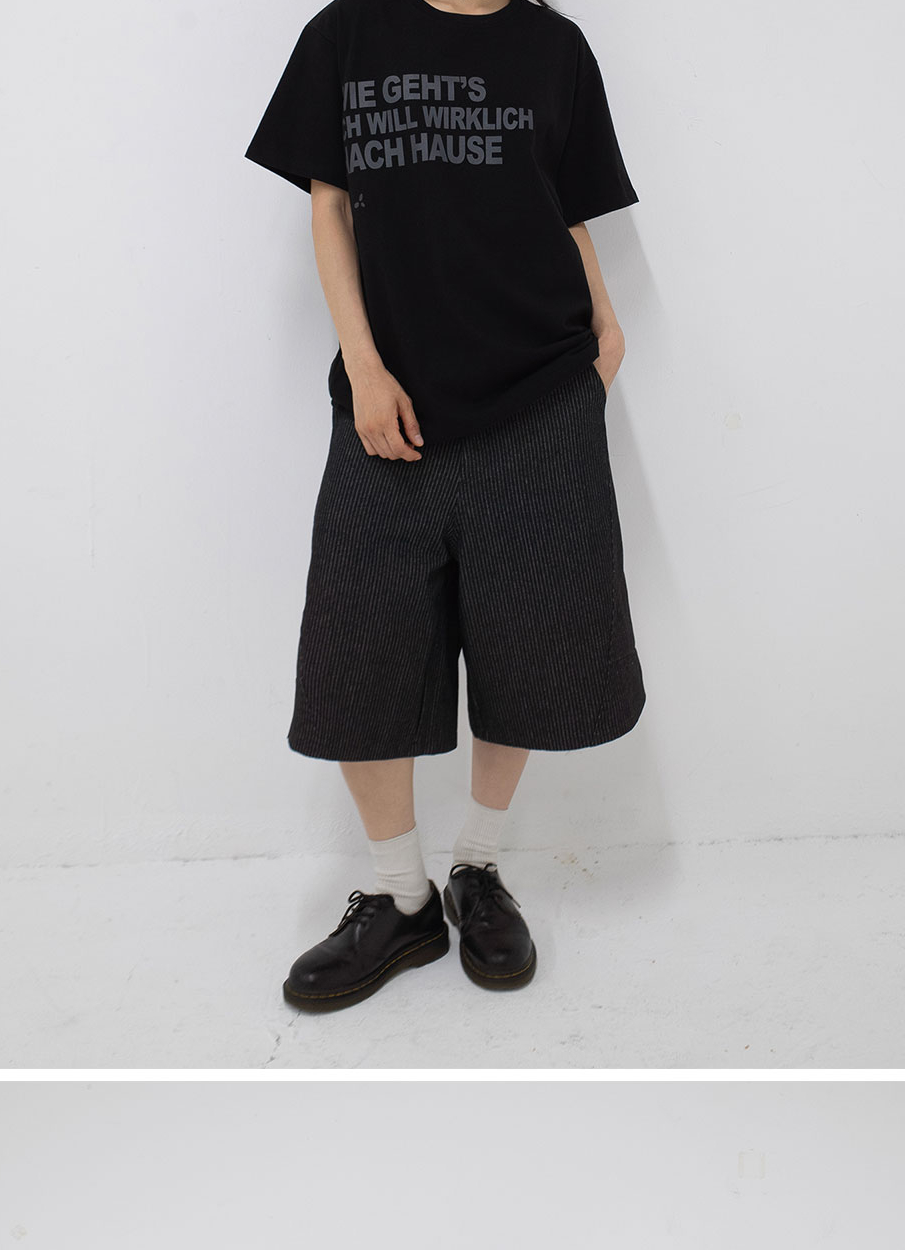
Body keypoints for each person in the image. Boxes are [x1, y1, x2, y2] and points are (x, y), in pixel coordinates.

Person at [247, 0, 646, 1014]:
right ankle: (400, 895)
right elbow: (329, 205)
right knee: (357, 656)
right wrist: (364, 366)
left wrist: (605, 334)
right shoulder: (347, 33)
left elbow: (567, 206)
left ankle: (478, 866)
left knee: (527, 647)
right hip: (393, 410)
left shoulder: (554, 46)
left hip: (540, 394)